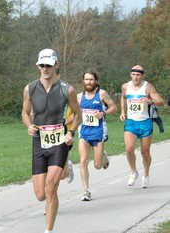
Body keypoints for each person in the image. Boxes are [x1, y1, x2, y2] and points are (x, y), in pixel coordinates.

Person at [22, 48, 81, 233]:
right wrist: (28, 125)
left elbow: (77, 113)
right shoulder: (30, 88)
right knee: (40, 195)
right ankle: (66, 167)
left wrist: (71, 132)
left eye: (48, 65)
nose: (45, 68)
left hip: (60, 140)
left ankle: (49, 230)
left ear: (56, 64)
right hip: (39, 141)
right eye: (42, 65)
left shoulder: (67, 89)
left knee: (50, 188)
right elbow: (25, 112)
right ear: (38, 66)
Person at [120, 65, 164, 188]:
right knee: (129, 148)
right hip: (131, 122)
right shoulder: (125, 86)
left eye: (138, 75)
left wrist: (150, 101)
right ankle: (134, 172)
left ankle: (146, 174)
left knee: (145, 152)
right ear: (130, 75)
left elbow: (161, 101)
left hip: (145, 122)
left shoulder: (148, 87)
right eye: (133, 74)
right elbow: (123, 98)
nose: (135, 77)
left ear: (142, 75)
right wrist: (123, 112)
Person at [77, 71, 117, 201]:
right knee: (83, 161)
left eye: (91, 79)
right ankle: (86, 191)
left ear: (96, 81)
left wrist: (103, 113)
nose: (88, 82)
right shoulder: (78, 97)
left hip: (99, 131)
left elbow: (114, 107)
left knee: (98, 166)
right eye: (86, 79)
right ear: (83, 81)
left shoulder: (101, 94)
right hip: (84, 131)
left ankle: (103, 156)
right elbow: (74, 113)